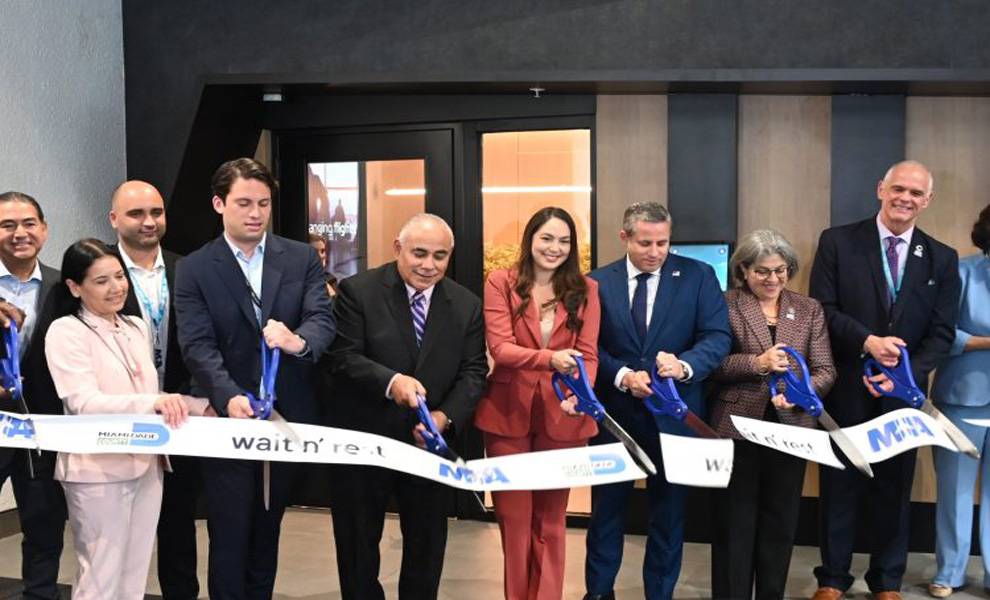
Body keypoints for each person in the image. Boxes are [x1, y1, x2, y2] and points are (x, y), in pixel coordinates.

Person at [174, 158, 335, 599]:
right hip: (228, 419)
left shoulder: (300, 256)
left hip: (288, 415)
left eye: (263, 203)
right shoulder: (195, 267)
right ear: (218, 203)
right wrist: (228, 398)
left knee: (269, 528)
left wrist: (297, 342)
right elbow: (197, 345)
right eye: (244, 203)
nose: (256, 213)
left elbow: (321, 318)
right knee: (229, 532)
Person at [809, 160, 961, 600]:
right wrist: (868, 342)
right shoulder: (838, 241)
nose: (905, 199)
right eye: (898, 189)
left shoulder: (942, 258)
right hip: (848, 383)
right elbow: (823, 309)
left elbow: (942, 333)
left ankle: (887, 580)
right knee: (839, 483)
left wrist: (905, 375)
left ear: (927, 201)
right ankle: (833, 579)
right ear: (881, 189)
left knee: (895, 488)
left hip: (903, 394)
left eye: (916, 193)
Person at [326, 213, 487, 600]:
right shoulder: (358, 291)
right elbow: (342, 357)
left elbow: (474, 371)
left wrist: (443, 417)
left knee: (427, 545)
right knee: (357, 544)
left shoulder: (466, 305)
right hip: (365, 441)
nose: (429, 265)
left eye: (440, 256)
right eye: (419, 253)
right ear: (398, 248)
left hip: (428, 445)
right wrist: (391, 382)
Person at [584, 202, 731, 600]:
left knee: (668, 517)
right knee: (605, 514)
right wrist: (621, 376)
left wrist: (684, 366)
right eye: (645, 243)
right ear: (624, 238)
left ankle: (660, 594)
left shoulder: (698, 277)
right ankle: (598, 592)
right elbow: (589, 346)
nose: (655, 251)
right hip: (615, 417)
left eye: (663, 242)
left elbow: (717, 336)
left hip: (675, 416)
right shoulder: (596, 283)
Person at [43, 239, 206, 600]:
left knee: (134, 573)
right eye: (101, 281)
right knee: (99, 574)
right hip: (97, 471)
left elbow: (152, 390)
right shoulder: (65, 331)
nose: (116, 287)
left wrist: (198, 406)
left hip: (148, 465)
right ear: (74, 287)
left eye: (119, 276)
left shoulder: (135, 326)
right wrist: (155, 403)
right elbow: (83, 401)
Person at [474, 207, 600, 600]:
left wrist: (581, 395)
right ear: (530, 239)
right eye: (546, 238)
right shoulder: (500, 282)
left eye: (564, 241)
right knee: (514, 521)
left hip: (563, 416)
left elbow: (589, 354)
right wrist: (552, 359)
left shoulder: (586, 289)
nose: (554, 248)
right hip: (506, 415)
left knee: (551, 521)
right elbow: (501, 348)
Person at [708, 229, 836, 599]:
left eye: (781, 270)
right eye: (763, 271)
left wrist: (801, 395)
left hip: (791, 429)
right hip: (736, 430)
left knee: (780, 523)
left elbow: (826, 369)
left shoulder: (809, 308)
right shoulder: (724, 304)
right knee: (734, 523)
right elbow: (713, 364)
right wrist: (757, 363)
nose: (773, 279)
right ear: (744, 270)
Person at [108, 180, 200, 600]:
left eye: (156, 213)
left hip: (179, 416)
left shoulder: (189, 269)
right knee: (113, 534)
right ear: (114, 220)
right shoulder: (96, 270)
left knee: (179, 526)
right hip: (121, 419)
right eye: (136, 214)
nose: (149, 221)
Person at [0, 191, 67, 600]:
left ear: (43, 229)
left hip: (42, 431)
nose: (19, 233)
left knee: (44, 528)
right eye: (7, 225)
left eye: (28, 223)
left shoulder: (65, 286)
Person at [928, 204, 990, 598]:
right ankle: (949, 572)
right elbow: (937, 332)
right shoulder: (962, 271)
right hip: (962, 398)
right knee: (953, 490)